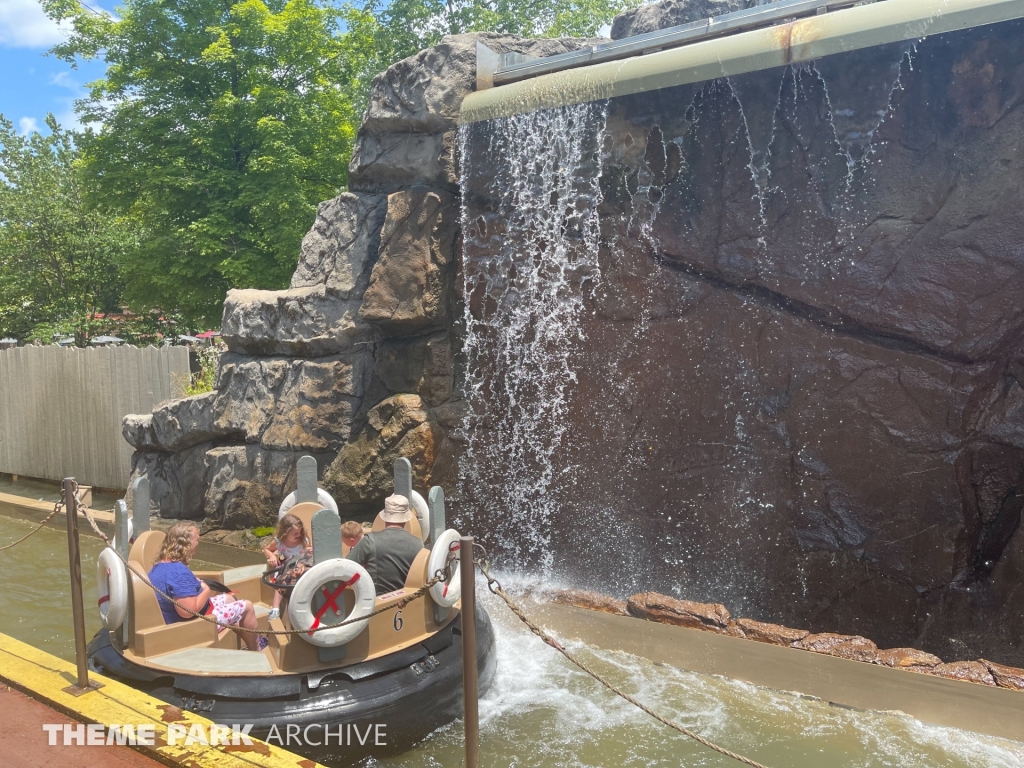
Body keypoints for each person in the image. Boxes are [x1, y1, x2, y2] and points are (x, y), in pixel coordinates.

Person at [148, 521, 266, 651]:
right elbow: (187, 612)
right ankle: (257, 648)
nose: (198, 543)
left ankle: (251, 638)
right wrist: (205, 589)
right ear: (187, 544)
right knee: (247, 606)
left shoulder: (158, 566)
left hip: (180, 618)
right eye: (197, 540)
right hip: (189, 627)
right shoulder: (178, 571)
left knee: (229, 599)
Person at [346, 495, 423, 596]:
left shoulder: (369, 541)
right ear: (406, 519)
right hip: (406, 601)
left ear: (385, 517)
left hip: (376, 601)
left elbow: (346, 567)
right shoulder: (418, 544)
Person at [263, 513, 312, 621]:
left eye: (300, 532)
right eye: (295, 533)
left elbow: (310, 552)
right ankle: (275, 609)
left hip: (302, 566)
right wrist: (272, 556)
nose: (299, 535)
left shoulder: (304, 540)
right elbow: (266, 549)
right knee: (282, 579)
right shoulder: (279, 542)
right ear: (285, 532)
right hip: (287, 568)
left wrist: (310, 550)